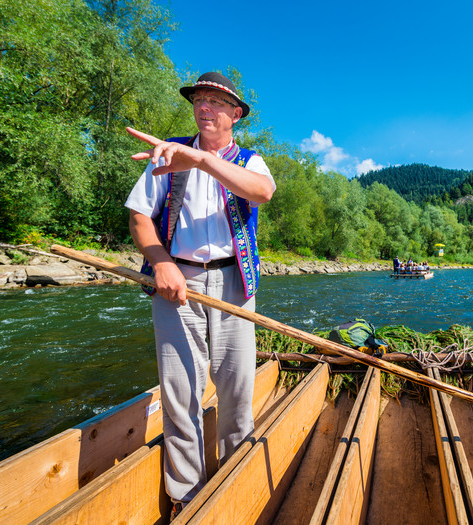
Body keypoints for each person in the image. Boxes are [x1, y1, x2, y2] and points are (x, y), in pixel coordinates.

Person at [124, 71, 275, 519]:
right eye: (199, 100)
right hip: (176, 282)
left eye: (215, 101)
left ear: (235, 114)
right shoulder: (166, 155)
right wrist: (162, 262)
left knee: (236, 388)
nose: (204, 107)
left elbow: (262, 193)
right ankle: (186, 497)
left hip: (234, 283)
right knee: (180, 391)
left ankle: (234, 479)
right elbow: (139, 218)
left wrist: (199, 159)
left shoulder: (248, 161)